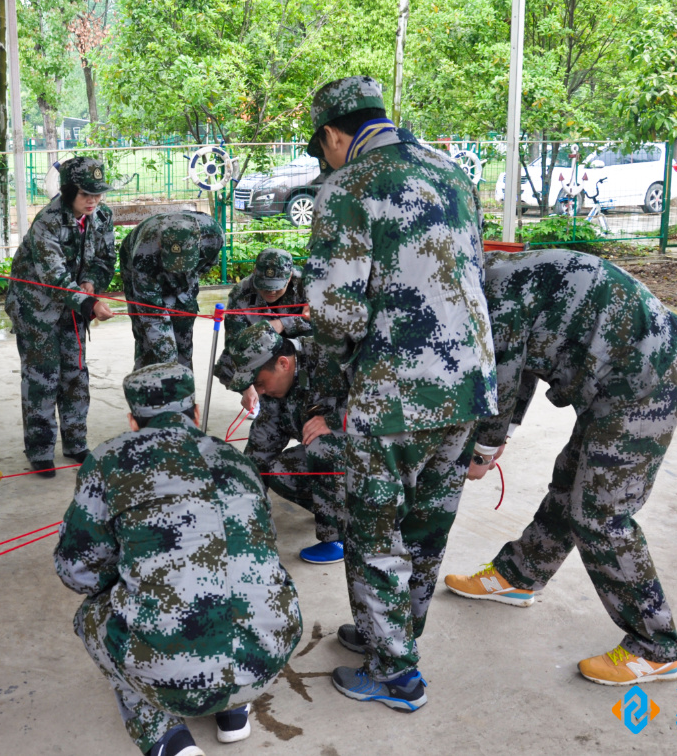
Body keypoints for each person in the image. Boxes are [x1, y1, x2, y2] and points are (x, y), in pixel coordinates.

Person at [303, 76, 497, 711]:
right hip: (468, 386)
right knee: (426, 527)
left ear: (335, 134)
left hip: (393, 396)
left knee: (375, 531)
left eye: (322, 147)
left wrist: (329, 382)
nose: (325, 158)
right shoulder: (452, 173)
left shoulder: (346, 187)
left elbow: (335, 315)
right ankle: (396, 636)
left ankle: (395, 675)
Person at [443, 249, 677, 686]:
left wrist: (482, 451)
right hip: (616, 381)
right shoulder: (492, 278)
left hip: (646, 384)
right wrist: (501, 438)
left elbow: (498, 380)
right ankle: (520, 574)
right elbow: (518, 370)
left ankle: (656, 647)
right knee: (571, 481)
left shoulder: (490, 303)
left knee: (600, 513)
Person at [55, 362, 303, 756]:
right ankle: (234, 708)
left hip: (173, 676)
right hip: (267, 657)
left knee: (92, 615)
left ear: (133, 421)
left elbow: (77, 572)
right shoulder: (235, 458)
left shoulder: (108, 460)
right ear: (196, 414)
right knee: (242, 581)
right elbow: (262, 547)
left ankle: (166, 738)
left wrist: (135, 570)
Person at [5, 157, 117, 477]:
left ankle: (75, 442)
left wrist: (92, 283)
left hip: (75, 302)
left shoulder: (101, 216)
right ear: (68, 192)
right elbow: (53, 277)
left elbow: (105, 260)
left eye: (98, 193)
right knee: (43, 377)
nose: (93, 200)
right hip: (35, 307)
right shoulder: (49, 220)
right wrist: (89, 303)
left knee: (75, 373)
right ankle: (40, 450)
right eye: (86, 194)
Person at [226, 321, 347, 564]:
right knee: (278, 471)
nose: (258, 392)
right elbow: (260, 450)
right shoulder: (275, 391)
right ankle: (337, 511)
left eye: (259, 383)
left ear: (283, 363)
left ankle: (342, 535)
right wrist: (240, 515)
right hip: (340, 454)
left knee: (322, 446)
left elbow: (393, 394)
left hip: (375, 454)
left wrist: (338, 420)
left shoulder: (333, 357)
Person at [118, 210, 224, 370]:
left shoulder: (213, 235)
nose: (177, 271)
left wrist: (180, 292)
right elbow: (151, 315)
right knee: (147, 337)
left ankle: (184, 383)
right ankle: (147, 383)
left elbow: (206, 265)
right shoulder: (144, 254)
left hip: (187, 274)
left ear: (199, 243)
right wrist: (168, 359)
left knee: (184, 322)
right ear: (161, 245)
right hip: (144, 264)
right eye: (174, 264)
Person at [213, 247, 311, 419]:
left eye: (276, 287)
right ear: (255, 274)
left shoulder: (309, 285)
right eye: (265, 287)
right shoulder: (241, 293)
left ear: (289, 277)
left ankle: (303, 399)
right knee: (226, 365)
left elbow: (327, 322)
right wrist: (247, 387)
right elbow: (235, 344)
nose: (271, 292)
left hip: (296, 346)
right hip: (263, 349)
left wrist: (283, 323)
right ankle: (261, 399)